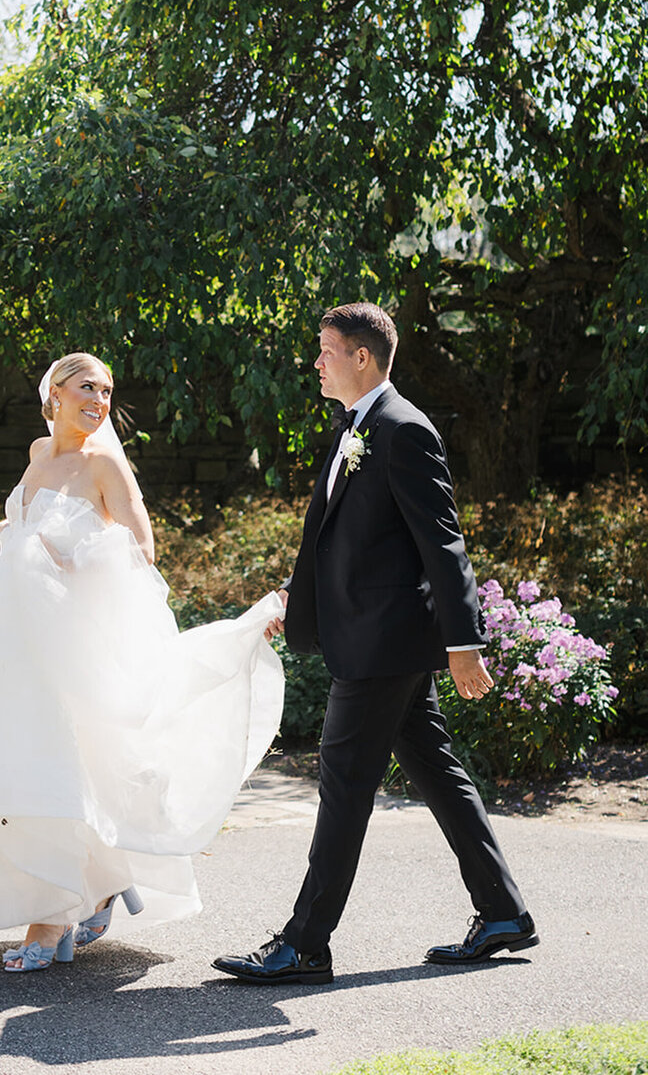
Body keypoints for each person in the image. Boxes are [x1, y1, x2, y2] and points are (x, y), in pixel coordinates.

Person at [0, 351, 285, 971]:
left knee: (60, 767)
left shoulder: (105, 463)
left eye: (106, 391)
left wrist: (72, 558)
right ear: (52, 393)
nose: (98, 401)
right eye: (86, 387)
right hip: (8, 640)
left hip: (69, 639)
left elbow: (143, 551)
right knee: (17, 765)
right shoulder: (37, 454)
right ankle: (97, 884)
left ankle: (52, 917)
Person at [213, 302, 536, 987]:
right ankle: (503, 909)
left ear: (363, 356)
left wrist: (464, 641)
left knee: (344, 781)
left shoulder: (403, 430)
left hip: (386, 645)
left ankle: (305, 942)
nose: (317, 362)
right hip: (370, 636)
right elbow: (343, 537)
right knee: (436, 772)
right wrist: (300, 596)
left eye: (326, 350)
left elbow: (442, 545)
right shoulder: (352, 429)